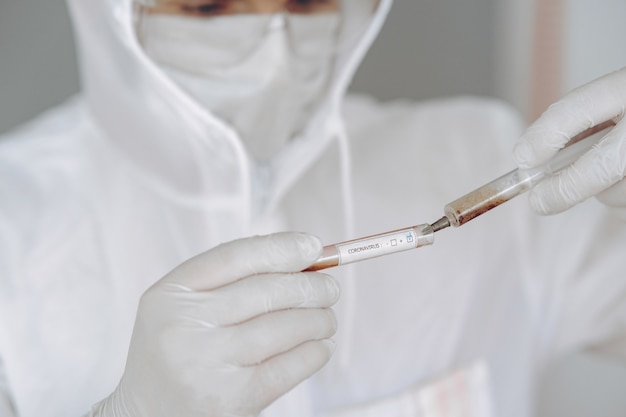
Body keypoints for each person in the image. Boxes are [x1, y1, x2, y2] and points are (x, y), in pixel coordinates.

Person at [0, 0, 625, 416]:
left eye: (303, 1)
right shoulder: (16, 217)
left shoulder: (474, 151)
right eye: (211, 4)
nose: (275, 49)